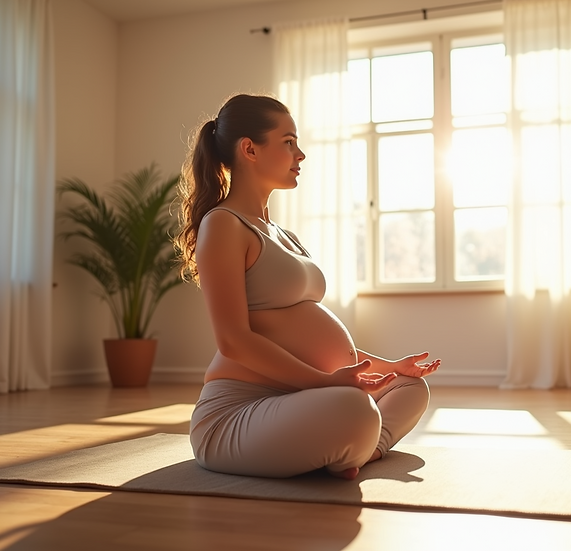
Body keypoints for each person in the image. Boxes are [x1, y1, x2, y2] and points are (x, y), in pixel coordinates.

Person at [176, 93, 440, 480]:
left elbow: (300, 333)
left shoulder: (285, 235)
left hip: (302, 398)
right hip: (240, 412)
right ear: (249, 149)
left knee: (410, 388)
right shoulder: (224, 224)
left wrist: (390, 366)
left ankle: (361, 450)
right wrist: (325, 382)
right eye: (288, 143)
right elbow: (233, 340)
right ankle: (354, 444)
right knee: (355, 409)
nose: (300, 155)